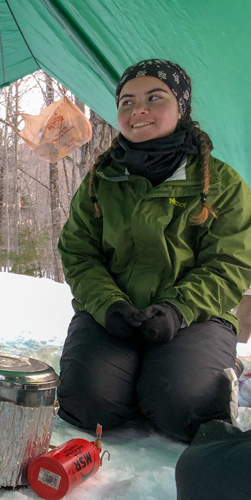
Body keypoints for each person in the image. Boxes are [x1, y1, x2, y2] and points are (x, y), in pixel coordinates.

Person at [56, 59, 251, 442]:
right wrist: (108, 305)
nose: (137, 110)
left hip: (195, 317)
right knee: (87, 407)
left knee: (186, 410)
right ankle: (139, 376)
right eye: (126, 102)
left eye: (154, 98)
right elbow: (79, 253)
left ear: (181, 108)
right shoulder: (102, 181)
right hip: (115, 316)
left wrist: (177, 310)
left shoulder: (222, 183)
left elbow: (231, 263)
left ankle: (180, 375)